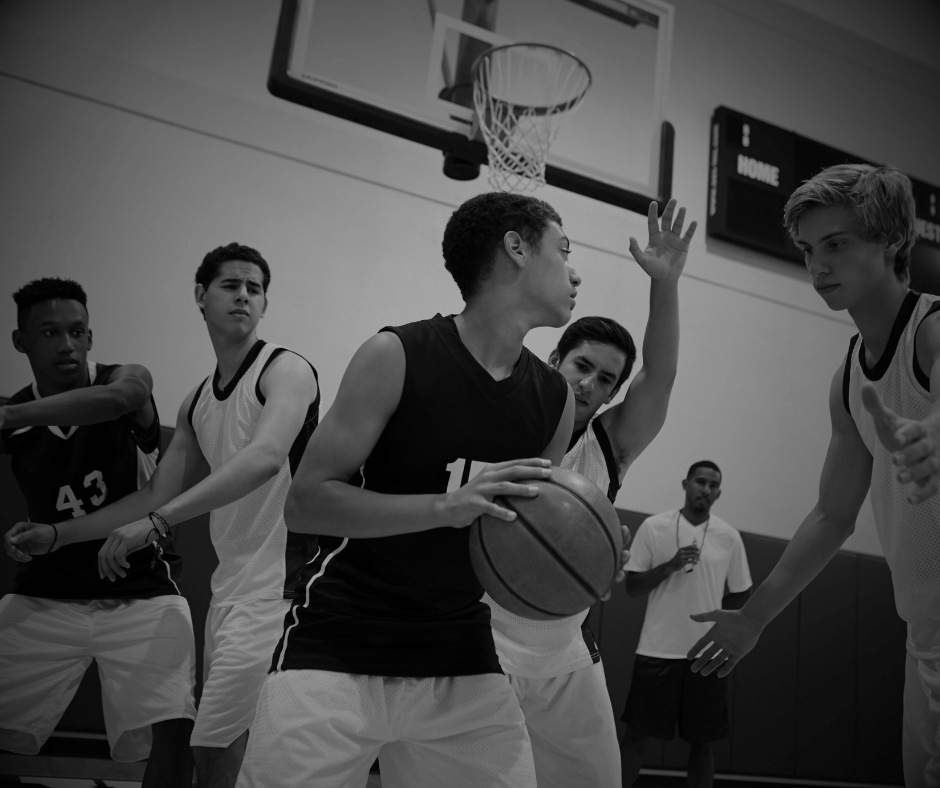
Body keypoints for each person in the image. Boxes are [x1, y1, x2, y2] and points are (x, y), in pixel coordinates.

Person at [235, 191, 580, 788]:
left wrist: (579, 557)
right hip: (341, 638)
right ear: (517, 248)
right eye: (564, 250)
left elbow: (525, 536)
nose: (574, 273)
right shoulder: (396, 354)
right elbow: (306, 502)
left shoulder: (556, 399)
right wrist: (445, 507)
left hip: (461, 650)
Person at [5, 245, 320, 788]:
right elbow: (153, 494)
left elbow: (265, 457)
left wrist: (157, 524)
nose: (244, 295)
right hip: (231, 592)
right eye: (230, 285)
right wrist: (58, 534)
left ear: (265, 304)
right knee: (223, 756)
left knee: (221, 752)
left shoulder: (285, 368)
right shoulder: (196, 402)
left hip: (286, 590)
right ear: (200, 296)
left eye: (255, 288)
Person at [685, 164, 940, 788]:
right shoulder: (849, 377)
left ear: (890, 242)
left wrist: (933, 434)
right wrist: (754, 617)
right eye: (806, 249)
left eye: (836, 244)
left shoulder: (932, 330)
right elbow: (831, 516)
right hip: (925, 634)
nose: (816, 265)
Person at [486, 198, 697, 787]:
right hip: (485, 640)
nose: (589, 383)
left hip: (564, 650)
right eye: (582, 365)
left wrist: (665, 284)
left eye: (606, 379)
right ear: (554, 358)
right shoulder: (501, 416)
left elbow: (660, 376)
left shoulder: (611, 445)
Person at [0, 278, 196, 788]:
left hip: (141, 589)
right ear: (21, 342)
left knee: (175, 728)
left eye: (78, 331)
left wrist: (7, 414)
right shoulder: (15, 423)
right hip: (46, 592)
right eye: (50, 333)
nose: (68, 344)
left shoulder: (125, 382)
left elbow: (116, 400)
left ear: (90, 336)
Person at [622, 461, 752, 788]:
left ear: (718, 493)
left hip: (707, 655)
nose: (705, 489)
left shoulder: (729, 537)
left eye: (712, 485)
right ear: (686, 484)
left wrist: (718, 625)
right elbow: (632, 587)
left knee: (702, 743)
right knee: (635, 736)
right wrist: (671, 565)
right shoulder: (654, 527)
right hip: (657, 650)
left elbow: (742, 593)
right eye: (700, 482)